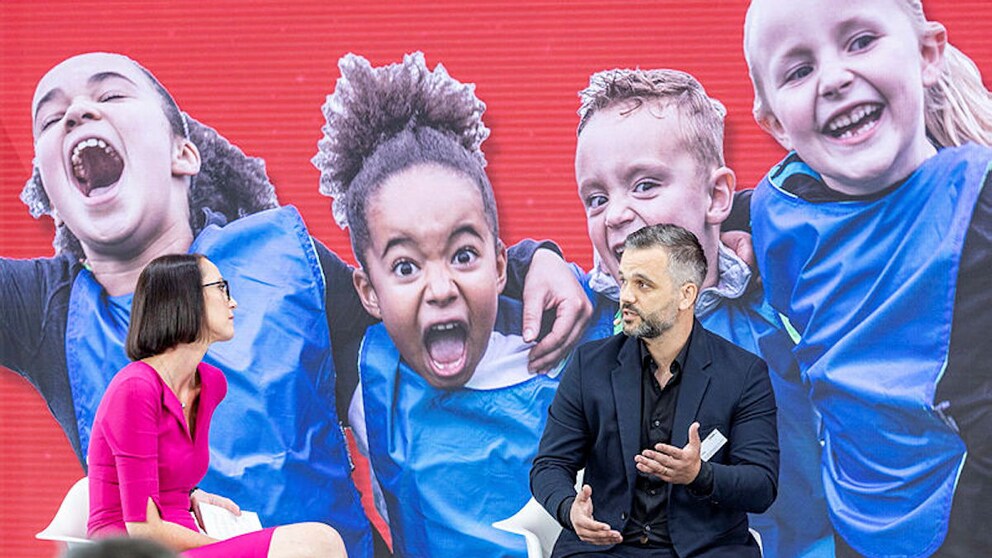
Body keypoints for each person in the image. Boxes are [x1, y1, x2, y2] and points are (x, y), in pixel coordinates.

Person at [2, 52, 589, 557]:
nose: (77, 112)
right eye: (51, 117)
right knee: (86, 508)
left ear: (183, 153)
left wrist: (531, 261)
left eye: (109, 93)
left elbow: (413, 281)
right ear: (47, 185)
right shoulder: (46, 311)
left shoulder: (285, 264)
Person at [743, 0, 992, 555]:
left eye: (860, 42)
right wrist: (536, 260)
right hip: (855, 521)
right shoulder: (774, 205)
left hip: (968, 518)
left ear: (927, 54)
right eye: (799, 69)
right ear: (775, 122)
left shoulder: (978, 200)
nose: (834, 78)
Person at [311, 52, 569, 557]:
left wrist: (536, 258)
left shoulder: (565, 330)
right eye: (406, 267)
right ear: (368, 293)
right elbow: (263, 258)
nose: (441, 287)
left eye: (464, 254)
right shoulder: (366, 371)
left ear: (497, 266)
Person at [572, 68, 831, 557]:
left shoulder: (781, 306)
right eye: (597, 198)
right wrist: (533, 260)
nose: (616, 214)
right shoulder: (578, 317)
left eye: (645, 185)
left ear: (716, 196)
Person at [531, 223, 779, 558]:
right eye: (624, 281)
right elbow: (550, 464)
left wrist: (699, 474)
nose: (626, 297)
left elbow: (761, 486)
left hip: (705, 549)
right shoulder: (589, 365)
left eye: (642, 284)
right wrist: (568, 509)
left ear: (686, 294)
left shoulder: (744, 373)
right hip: (604, 548)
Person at [87, 253, 345, 557]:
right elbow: (142, 529)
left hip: (184, 538)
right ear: (185, 298)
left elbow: (165, 475)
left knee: (319, 542)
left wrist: (193, 494)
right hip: (136, 549)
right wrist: (234, 550)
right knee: (318, 541)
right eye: (221, 288)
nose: (232, 302)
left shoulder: (210, 383)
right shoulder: (135, 389)